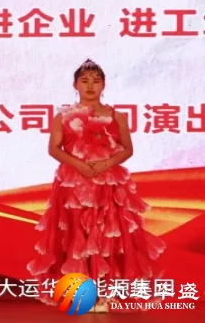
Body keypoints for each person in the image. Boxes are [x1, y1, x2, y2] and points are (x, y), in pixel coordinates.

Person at [27, 59, 165, 313]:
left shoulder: (115, 116)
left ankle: (105, 294)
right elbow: (54, 149)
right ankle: (81, 292)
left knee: (106, 236)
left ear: (104, 85)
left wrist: (107, 163)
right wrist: (79, 165)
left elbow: (127, 149)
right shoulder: (63, 117)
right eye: (84, 81)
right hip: (74, 184)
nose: (90, 86)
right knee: (77, 235)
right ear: (75, 85)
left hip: (108, 183)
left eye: (96, 81)